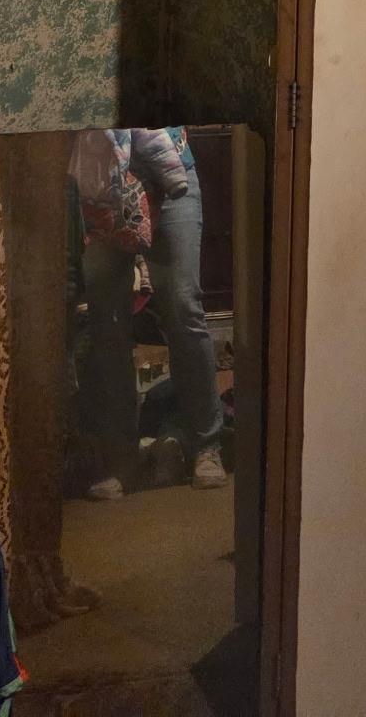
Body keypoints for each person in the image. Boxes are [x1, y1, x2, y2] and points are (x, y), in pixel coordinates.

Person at [71, 126, 225, 498]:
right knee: (107, 322)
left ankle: (206, 445)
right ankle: (121, 459)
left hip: (170, 180)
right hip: (101, 187)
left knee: (183, 309)